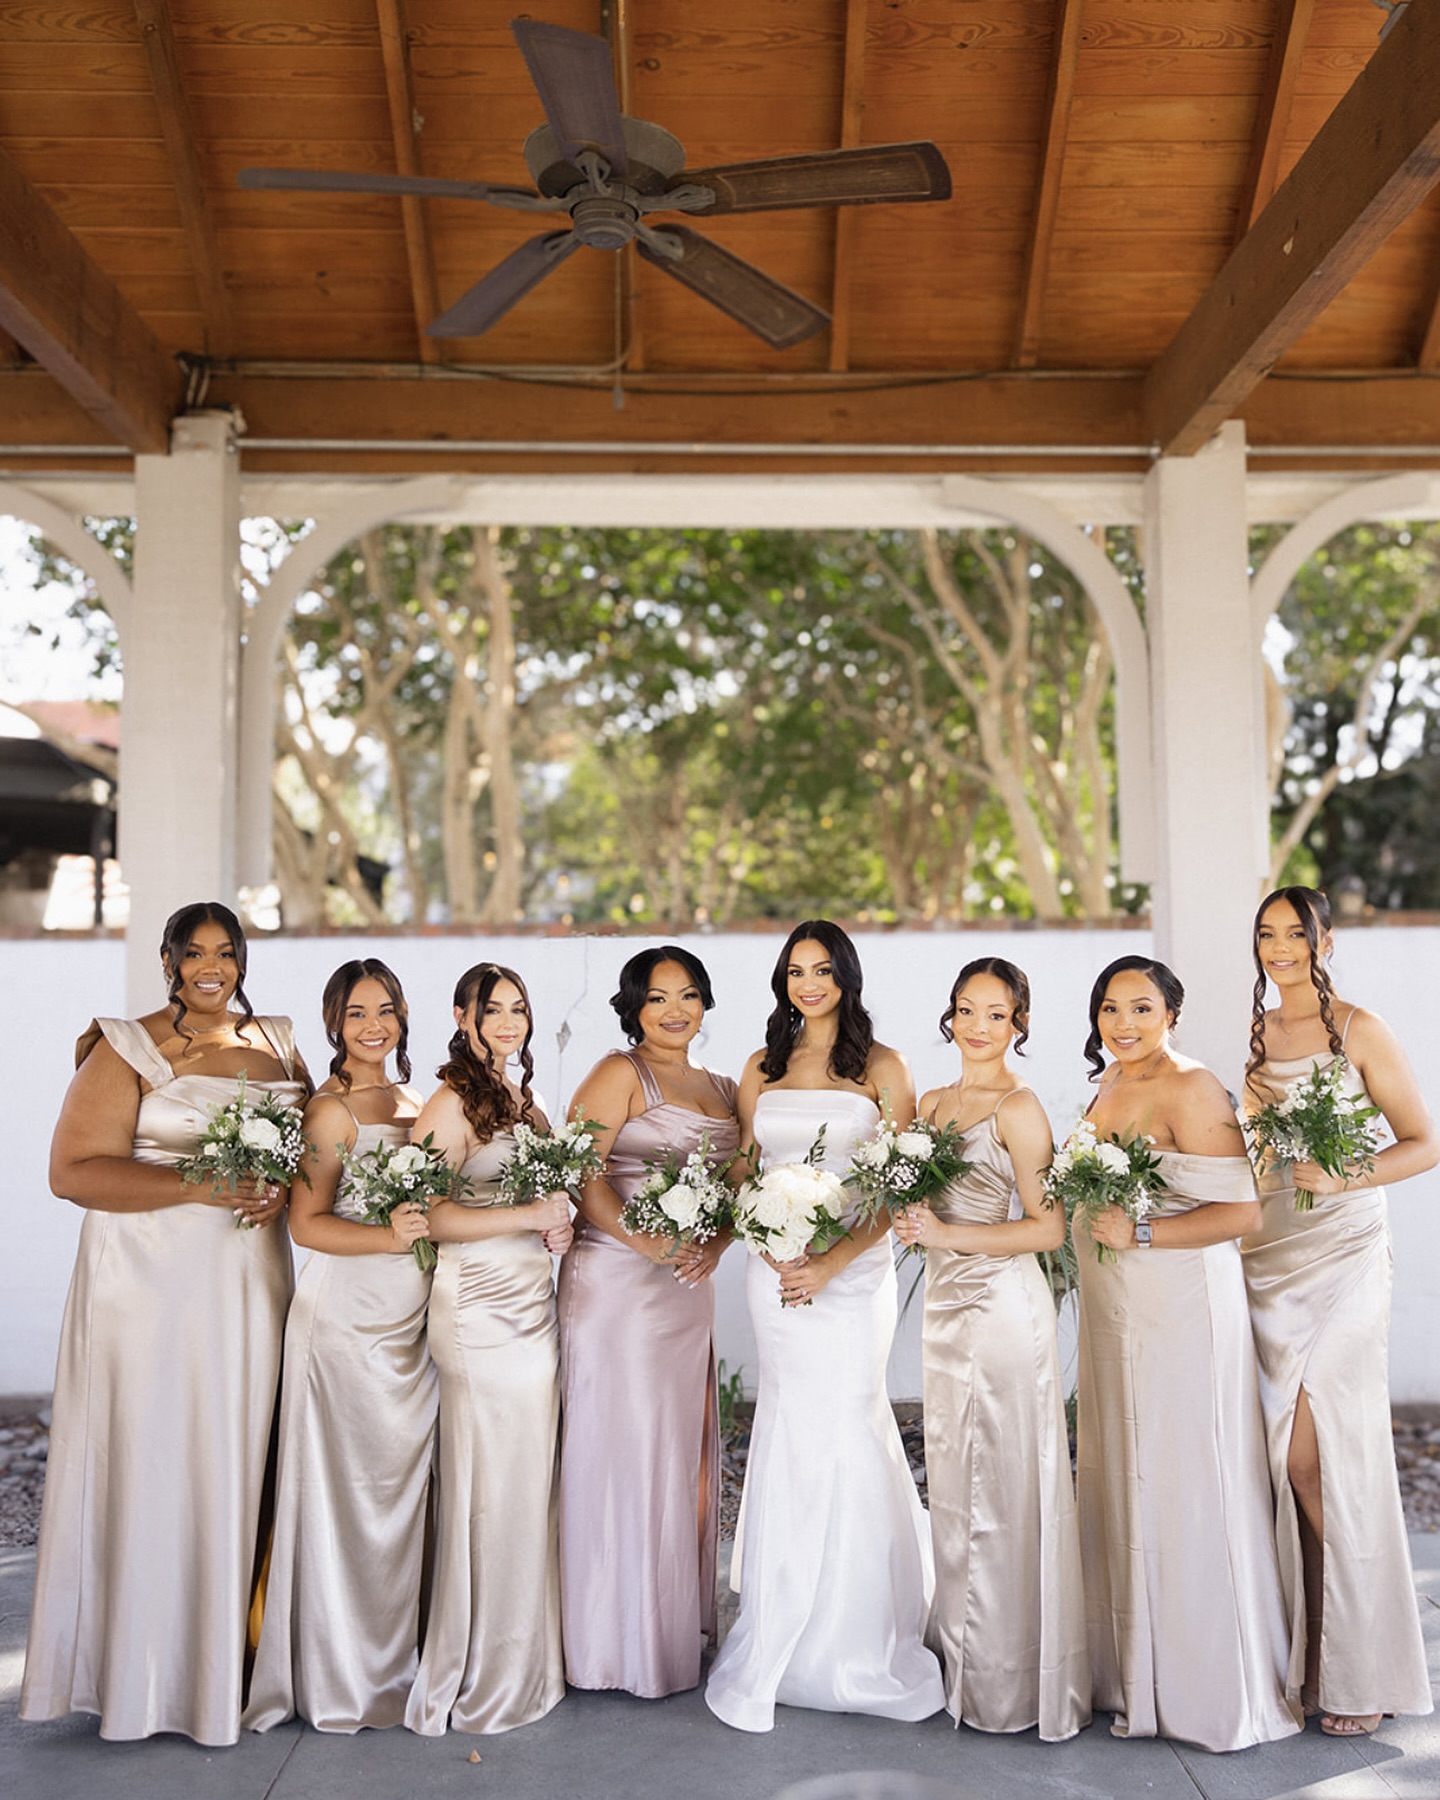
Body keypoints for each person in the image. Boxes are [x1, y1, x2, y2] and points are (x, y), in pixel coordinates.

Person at [21, 900, 309, 1746]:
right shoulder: (126, 1046)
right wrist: (201, 1187)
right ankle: (143, 1675)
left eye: (225, 952)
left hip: (251, 1283)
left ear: (244, 960)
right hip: (147, 1291)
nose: (209, 967)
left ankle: (234, 1665)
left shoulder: (281, 1045)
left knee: (237, 1455)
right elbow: (70, 1172)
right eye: (194, 953)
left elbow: (313, 1158)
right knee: (155, 1462)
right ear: (168, 960)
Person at [704, 920, 945, 1733]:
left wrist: (833, 1259)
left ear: (846, 975)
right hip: (772, 1275)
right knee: (790, 1427)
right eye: (794, 971)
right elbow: (745, 1163)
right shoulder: (760, 1067)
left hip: (852, 1274)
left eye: (821, 970)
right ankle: (783, 1632)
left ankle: (857, 1636)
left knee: (847, 1422)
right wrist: (762, 1233)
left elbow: (897, 1180)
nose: (808, 984)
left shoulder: (884, 1068)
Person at [1072, 955, 1298, 1752]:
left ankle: (1207, 1687)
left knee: (1184, 1475)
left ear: (1172, 1012)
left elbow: (1243, 1213)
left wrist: (1140, 1232)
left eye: (1140, 1008)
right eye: (1109, 1009)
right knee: (1126, 1467)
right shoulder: (1109, 1084)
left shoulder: (1193, 1087)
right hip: (1116, 1305)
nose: (1122, 1024)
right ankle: (1134, 1669)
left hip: (1182, 1305)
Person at [1241, 886, 1437, 1736]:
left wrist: (1347, 1175)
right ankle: (1319, 1652)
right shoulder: (1259, 1036)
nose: (1279, 947)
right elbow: (1255, 1153)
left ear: (1326, 942)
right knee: (1289, 1466)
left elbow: (1424, 1142)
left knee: (1326, 1460)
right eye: (1267, 934)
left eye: (1296, 933)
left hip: (1349, 1254)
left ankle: (1367, 1665)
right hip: (1272, 1254)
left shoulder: (1361, 1028)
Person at [893, 957, 1089, 1741]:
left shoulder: (1020, 1106)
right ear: (951, 1016)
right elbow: (911, 1199)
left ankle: (1009, 1682)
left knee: (1003, 1490)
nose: (978, 1027)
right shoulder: (931, 1102)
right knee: (956, 1480)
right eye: (967, 1011)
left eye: (996, 1014)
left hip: (1004, 1311)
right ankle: (962, 1659)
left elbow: (1049, 1227)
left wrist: (947, 1234)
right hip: (944, 1311)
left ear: (1020, 1024)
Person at [245, 959, 435, 1733]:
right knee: (348, 1499)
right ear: (334, 1023)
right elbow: (306, 1224)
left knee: (399, 1495)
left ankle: (396, 1657)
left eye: (385, 1009)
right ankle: (339, 1673)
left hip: (410, 1327)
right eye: (357, 1013)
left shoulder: (420, 1102)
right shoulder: (330, 1112)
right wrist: (389, 1235)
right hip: (345, 1324)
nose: (373, 1026)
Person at [558, 946, 739, 1696]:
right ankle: (610, 1641)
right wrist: (647, 1239)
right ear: (633, 1005)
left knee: (680, 1459)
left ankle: (667, 1629)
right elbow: (578, 1173)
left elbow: (741, 1183)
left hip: (685, 1293)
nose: (675, 1010)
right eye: (658, 997)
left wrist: (718, 1243)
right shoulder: (615, 1073)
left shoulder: (726, 1086)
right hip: (618, 1286)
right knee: (621, 1454)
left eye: (689, 995)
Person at [404, 963, 571, 1737]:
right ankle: (482, 1668)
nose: (509, 1022)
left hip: (530, 1305)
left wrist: (554, 1223)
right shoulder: (449, 1102)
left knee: (525, 1476)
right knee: (490, 1481)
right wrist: (524, 1214)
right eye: (492, 1010)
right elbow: (425, 1215)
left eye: (518, 1009)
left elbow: (537, 1201)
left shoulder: (520, 1100)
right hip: (477, 1311)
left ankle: (524, 1654)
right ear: (461, 1016)